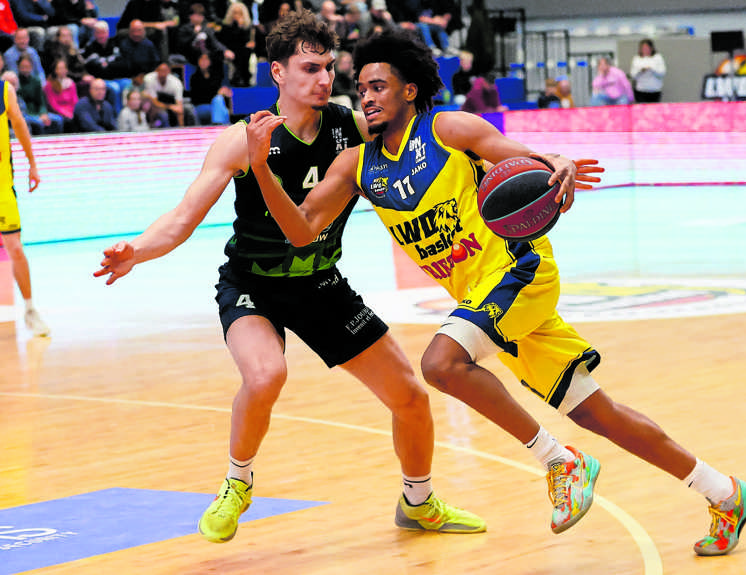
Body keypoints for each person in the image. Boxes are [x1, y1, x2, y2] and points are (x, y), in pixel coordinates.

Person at [251, 28, 746, 557]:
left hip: (520, 271)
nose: (366, 96)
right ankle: (725, 494)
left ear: (408, 91)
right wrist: (262, 167)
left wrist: (557, 161)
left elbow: (523, 157)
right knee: (596, 412)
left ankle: (559, 460)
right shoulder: (357, 165)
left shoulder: (448, 128)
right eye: (361, 88)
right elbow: (302, 228)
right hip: (483, 299)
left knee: (441, 363)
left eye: (378, 86)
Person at [93, 9, 485, 544]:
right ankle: (238, 483)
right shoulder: (242, 140)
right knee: (265, 376)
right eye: (308, 68)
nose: (323, 79)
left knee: (411, 398)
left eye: (328, 67)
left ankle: (418, 502)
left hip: (321, 283)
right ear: (277, 73)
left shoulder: (352, 126)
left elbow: (429, 134)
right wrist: (136, 250)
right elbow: (182, 220)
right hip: (253, 284)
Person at [0, 68, 49, 335]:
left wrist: (32, 164)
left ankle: (30, 310)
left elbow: (19, 126)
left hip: (2, 188)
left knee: (15, 248)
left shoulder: (3, 90)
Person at [16, 52, 64, 134]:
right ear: (18, 67)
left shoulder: (36, 81)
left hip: (37, 112)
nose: (25, 70)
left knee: (58, 119)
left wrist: (43, 113)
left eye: (27, 67)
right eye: (22, 67)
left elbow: (41, 101)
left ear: (31, 67)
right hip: (25, 113)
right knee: (39, 123)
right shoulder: (16, 81)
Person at [144, 59, 195, 126]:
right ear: (156, 71)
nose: (163, 73)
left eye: (165, 70)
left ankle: (183, 129)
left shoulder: (176, 83)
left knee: (189, 109)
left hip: (171, 100)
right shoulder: (149, 79)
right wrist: (170, 107)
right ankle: (151, 127)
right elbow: (155, 102)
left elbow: (179, 107)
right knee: (162, 113)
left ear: (169, 71)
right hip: (153, 103)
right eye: (160, 70)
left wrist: (181, 126)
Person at [217, 1, 256, 87]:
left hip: (242, 50)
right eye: (235, 13)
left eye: (239, 13)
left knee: (245, 51)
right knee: (240, 52)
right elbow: (226, 41)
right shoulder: (226, 26)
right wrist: (236, 27)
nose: (237, 15)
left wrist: (240, 27)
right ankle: (239, 77)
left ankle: (243, 77)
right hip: (230, 48)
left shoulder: (247, 26)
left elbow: (246, 41)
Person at [189, 51, 230, 124]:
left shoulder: (216, 76)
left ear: (210, 62)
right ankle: (221, 127)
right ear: (198, 61)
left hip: (215, 105)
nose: (203, 61)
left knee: (220, 103)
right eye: (201, 59)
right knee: (221, 106)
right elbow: (197, 98)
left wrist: (223, 93)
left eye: (206, 59)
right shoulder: (194, 78)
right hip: (201, 107)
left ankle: (218, 124)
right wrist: (218, 93)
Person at [43, 57, 78, 129]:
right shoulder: (49, 84)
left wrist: (73, 113)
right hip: (58, 112)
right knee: (67, 121)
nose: (62, 71)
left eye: (63, 68)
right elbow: (53, 104)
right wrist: (65, 113)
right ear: (55, 70)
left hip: (71, 111)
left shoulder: (71, 83)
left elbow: (75, 101)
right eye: (60, 68)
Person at [630, 38, 666, 103]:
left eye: (647, 48)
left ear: (651, 48)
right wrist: (640, 71)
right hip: (641, 90)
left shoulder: (658, 57)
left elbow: (662, 73)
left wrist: (652, 69)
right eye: (643, 48)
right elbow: (633, 75)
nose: (645, 50)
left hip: (655, 90)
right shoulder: (636, 58)